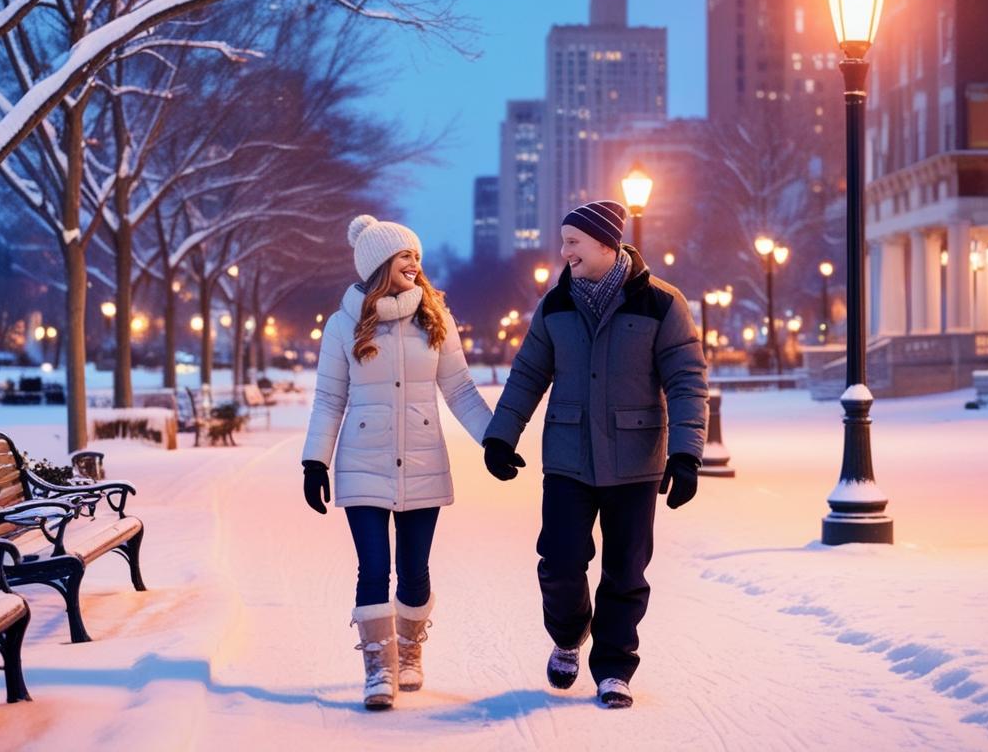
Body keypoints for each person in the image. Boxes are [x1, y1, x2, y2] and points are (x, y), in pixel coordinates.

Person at [481, 199, 708, 709]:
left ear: (606, 244)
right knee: (560, 560)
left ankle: (613, 668)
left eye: (573, 243)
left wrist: (687, 453)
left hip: (635, 458)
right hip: (567, 454)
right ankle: (568, 634)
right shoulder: (556, 304)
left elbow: (687, 380)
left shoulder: (662, 304)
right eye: (563, 243)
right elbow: (527, 374)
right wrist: (502, 436)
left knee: (626, 569)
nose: (564, 253)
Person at [301, 214, 492, 711]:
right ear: (380, 263)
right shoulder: (344, 324)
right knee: (373, 568)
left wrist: (494, 439)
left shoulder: (436, 317)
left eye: (418, 256)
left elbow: (461, 389)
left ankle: (409, 651)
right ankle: (378, 668)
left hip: (424, 459)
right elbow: (328, 399)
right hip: (362, 461)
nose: (416, 263)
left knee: (414, 570)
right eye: (406, 255)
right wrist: (314, 462)